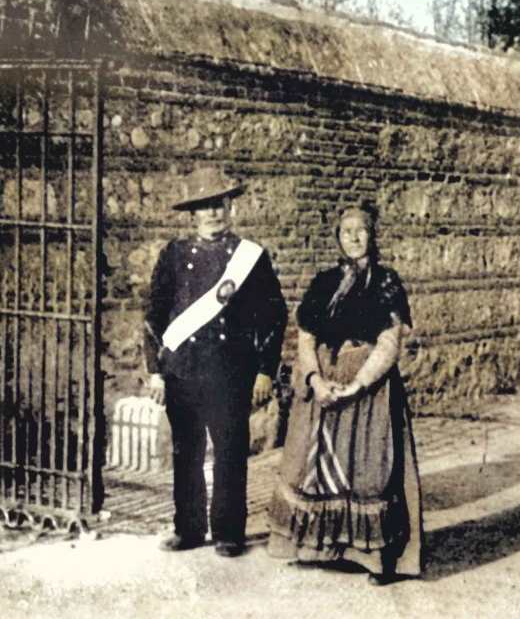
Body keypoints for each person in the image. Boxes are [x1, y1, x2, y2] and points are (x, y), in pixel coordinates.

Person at [267, 204, 423, 584]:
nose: (353, 237)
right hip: (325, 385)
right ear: (337, 238)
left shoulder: (386, 283)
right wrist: (315, 381)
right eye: (346, 231)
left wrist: (359, 384)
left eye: (361, 230)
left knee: (369, 472)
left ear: (373, 235)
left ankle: (375, 558)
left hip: (370, 393)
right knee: (314, 468)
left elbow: (389, 343)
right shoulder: (323, 282)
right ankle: (322, 548)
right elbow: (306, 338)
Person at [144, 166, 287, 558]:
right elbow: (154, 315)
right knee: (185, 452)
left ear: (230, 207)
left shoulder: (250, 257)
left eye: (219, 204)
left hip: (230, 371)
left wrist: (265, 370)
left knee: (230, 453)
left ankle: (228, 532)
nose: (213, 213)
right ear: (193, 213)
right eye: (205, 206)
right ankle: (188, 529)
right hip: (183, 369)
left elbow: (273, 316)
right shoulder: (174, 255)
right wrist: (155, 371)